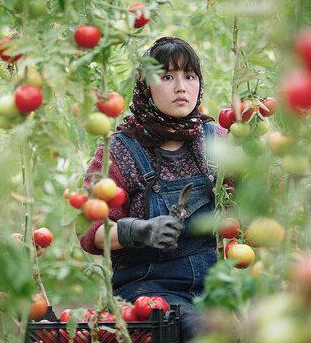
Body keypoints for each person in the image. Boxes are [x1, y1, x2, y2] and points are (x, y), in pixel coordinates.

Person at [79, 37, 229, 342]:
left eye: (190, 76)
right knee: (198, 331)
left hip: (215, 284)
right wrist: (140, 230)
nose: (181, 87)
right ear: (146, 86)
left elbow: (251, 206)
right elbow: (91, 232)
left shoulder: (218, 141)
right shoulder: (119, 150)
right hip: (148, 289)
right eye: (167, 77)